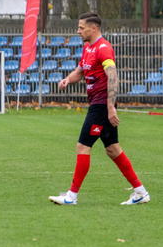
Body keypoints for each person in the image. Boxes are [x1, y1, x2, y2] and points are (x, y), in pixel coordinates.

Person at [50, 13, 150, 205]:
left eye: (81, 28)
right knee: (112, 149)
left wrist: (111, 106)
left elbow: (113, 76)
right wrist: (67, 80)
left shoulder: (104, 48)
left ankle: (71, 196)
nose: (78, 31)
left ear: (93, 28)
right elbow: (80, 71)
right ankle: (140, 192)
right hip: (99, 104)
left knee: (82, 146)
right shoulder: (88, 48)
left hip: (102, 105)